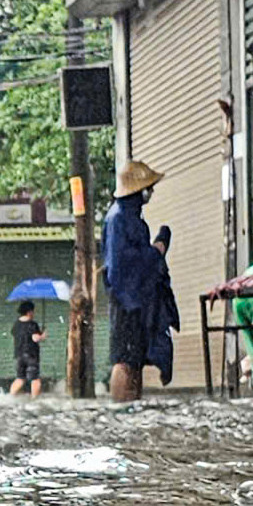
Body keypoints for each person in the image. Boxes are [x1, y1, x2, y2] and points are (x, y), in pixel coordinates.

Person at [103, 160, 177, 402]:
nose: (151, 193)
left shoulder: (130, 217)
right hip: (126, 299)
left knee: (135, 359)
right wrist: (155, 252)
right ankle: (121, 407)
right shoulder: (119, 218)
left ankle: (133, 404)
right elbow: (122, 263)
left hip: (136, 298)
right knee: (124, 360)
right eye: (149, 188)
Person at [8, 299, 45, 397]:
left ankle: (11, 396)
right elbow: (35, 338)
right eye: (33, 311)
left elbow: (15, 334)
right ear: (29, 312)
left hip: (19, 355)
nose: (33, 313)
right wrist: (42, 336)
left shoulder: (16, 324)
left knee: (20, 378)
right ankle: (34, 400)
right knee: (35, 379)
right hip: (31, 355)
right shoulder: (32, 324)